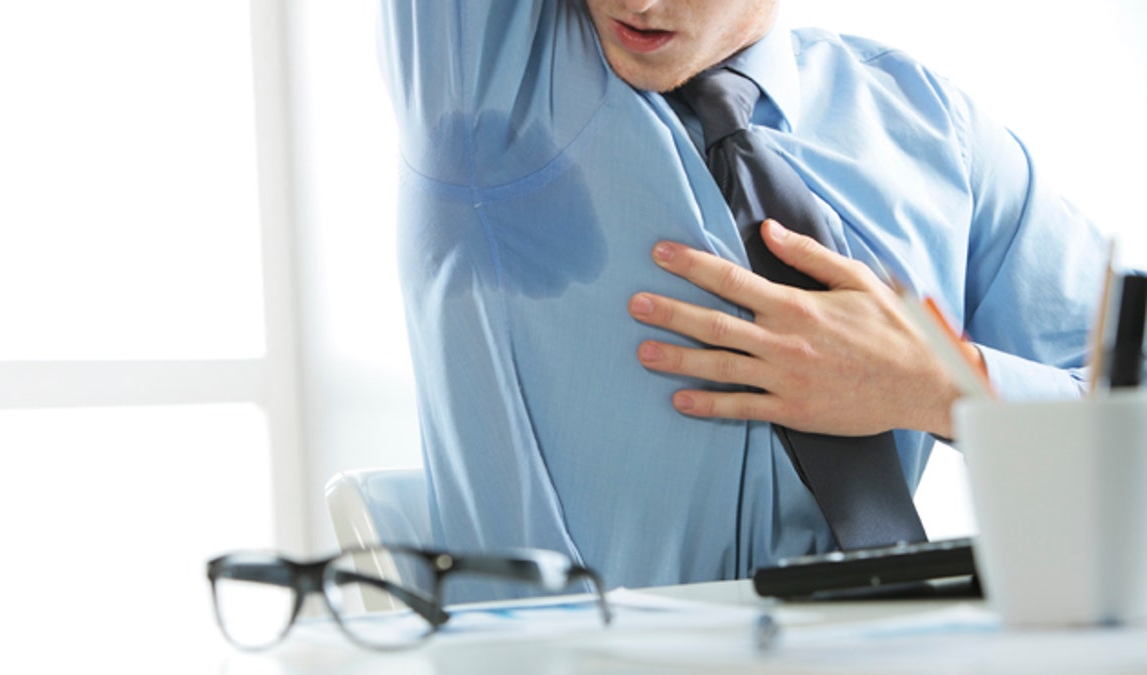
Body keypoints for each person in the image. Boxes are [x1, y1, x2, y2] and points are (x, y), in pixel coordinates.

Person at [377, 0, 1108, 590]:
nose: (638, 2)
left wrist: (941, 387)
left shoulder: (930, 128)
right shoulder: (482, 75)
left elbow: (1122, 404)